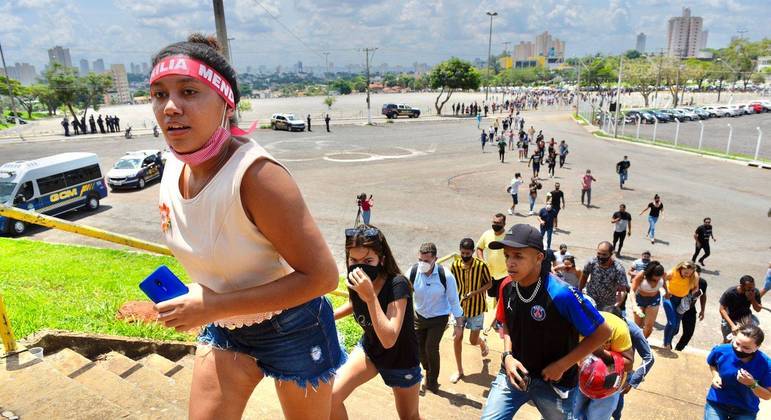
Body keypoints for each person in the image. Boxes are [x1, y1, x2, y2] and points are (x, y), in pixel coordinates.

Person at [151, 34, 343, 419]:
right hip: (224, 326)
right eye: (159, 94)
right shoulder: (174, 165)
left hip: (294, 325)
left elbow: (322, 277)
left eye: (189, 91)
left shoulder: (257, 176)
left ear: (226, 103)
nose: (170, 107)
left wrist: (212, 304)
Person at [480, 224, 611, 420]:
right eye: (507, 256)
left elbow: (602, 332)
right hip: (515, 374)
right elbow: (505, 322)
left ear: (539, 257)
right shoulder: (507, 286)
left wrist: (562, 365)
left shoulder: (561, 293)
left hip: (554, 384)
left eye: (518, 256)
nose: (510, 263)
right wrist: (507, 355)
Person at [333, 225, 422, 420]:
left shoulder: (397, 285)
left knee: (410, 417)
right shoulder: (356, 280)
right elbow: (354, 304)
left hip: (401, 360)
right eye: (353, 260)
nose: (359, 266)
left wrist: (370, 297)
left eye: (367, 261)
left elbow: (389, 339)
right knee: (331, 398)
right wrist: (330, 316)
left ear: (381, 260)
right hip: (370, 350)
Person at [410, 242, 463, 394]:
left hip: (438, 318)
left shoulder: (445, 276)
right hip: (419, 316)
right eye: (420, 260)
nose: (422, 264)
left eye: (426, 261)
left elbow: (454, 300)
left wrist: (459, 325)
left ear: (435, 259)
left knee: (431, 348)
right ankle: (428, 371)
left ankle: (432, 382)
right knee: (420, 350)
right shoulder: (413, 272)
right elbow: (403, 291)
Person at [574, 306, 634, 420]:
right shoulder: (570, 326)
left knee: (597, 417)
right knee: (571, 415)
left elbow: (629, 363)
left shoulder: (617, 327)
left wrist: (601, 353)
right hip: (580, 378)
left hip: (609, 384)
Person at [705, 324, 771, 420]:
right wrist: (716, 375)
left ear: (757, 347)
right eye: (737, 343)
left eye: (746, 348)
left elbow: (767, 395)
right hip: (717, 402)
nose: (739, 349)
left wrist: (752, 384)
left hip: (745, 409)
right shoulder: (721, 350)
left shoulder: (766, 365)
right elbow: (712, 364)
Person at [449, 238, 491, 384]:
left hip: (477, 308)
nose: (465, 255)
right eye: (462, 253)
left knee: (473, 341)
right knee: (457, 338)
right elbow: (451, 286)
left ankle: (481, 342)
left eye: (468, 253)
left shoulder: (481, 266)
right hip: (459, 308)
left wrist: (475, 292)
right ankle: (460, 370)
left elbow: (489, 283)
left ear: (473, 252)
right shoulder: (454, 265)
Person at [612, 316, 655, 420]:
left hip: (622, 373)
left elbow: (649, 358)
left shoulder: (632, 330)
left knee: (617, 402)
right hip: (600, 368)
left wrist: (633, 381)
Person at [477, 214, 508, 334]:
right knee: (492, 297)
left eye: (498, 223)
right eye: (494, 222)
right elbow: (479, 248)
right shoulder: (487, 234)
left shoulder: (508, 237)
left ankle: (498, 321)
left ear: (504, 224)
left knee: (502, 298)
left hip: (505, 274)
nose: (495, 225)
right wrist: (482, 261)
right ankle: (494, 319)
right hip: (490, 274)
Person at [580, 241, 629, 311]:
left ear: (611, 253)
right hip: (590, 299)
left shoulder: (618, 268)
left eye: (604, 254)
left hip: (607, 304)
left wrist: (615, 306)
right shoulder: (591, 262)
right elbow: (584, 276)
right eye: (599, 253)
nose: (601, 257)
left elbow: (623, 290)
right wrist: (579, 293)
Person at [662, 261, 700, 350]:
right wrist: (666, 291)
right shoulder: (672, 272)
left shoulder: (695, 276)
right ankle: (666, 343)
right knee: (672, 323)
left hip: (682, 301)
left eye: (690, 274)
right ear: (680, 269)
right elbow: (662, 279)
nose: (688, 275)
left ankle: (668, 341)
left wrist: (693, 294)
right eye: (686, 272)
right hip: (670, 298)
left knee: (676, 328)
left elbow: (695, 287)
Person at [719, 275, 763, 343]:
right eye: (749, 288)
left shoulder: (754, 292)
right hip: (730, 318)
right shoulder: (730, 292)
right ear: (741, 286)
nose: (752, 289)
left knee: (751, 338)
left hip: (745, 317)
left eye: (753, 286)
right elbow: (722, 310)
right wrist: (732, 326)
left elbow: (758, 309)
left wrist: (752, 299)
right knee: (727, 339)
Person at [629, 261, 665, 338]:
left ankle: (643, 342)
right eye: (654, 279)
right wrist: (634, 305)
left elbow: (664, 282)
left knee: (649, 327)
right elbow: (632, 291)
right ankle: (634, 342)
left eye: (659, 279)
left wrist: (667, 292)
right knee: (638, 325)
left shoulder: (662, 274)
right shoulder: (641, 275)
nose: (657, 281)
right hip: (640, 299)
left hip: (654, 299)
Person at [676, 265, 707, 351]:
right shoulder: (683, 281)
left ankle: (678, 349)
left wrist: (702, 310)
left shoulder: (703, 283)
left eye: (697, 275)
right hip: (678, 308)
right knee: (674, 330)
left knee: (688, 333)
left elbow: (703, 296)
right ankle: (667, 345)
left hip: (690, 310)